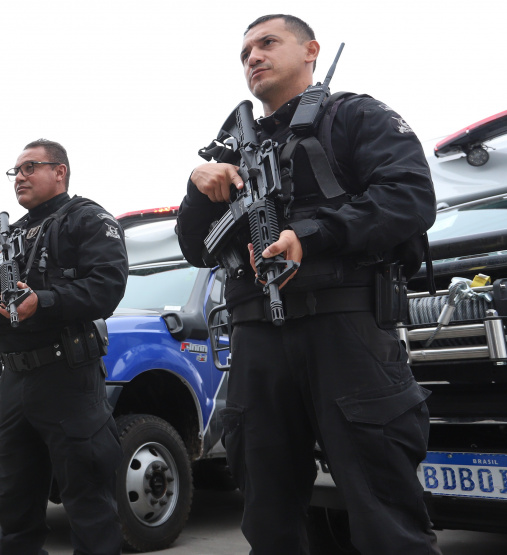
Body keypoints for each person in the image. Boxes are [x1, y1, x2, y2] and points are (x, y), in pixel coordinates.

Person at [175, 14, 441, 554]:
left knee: (385, 517)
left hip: (345, 331)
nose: (253, 57)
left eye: (268, 43)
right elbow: (195, 247)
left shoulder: (355, 116)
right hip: (257, 341)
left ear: (311, 50)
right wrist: (199, 188)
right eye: (245, 51)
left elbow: (410, 198)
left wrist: (311, 235)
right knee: (269, 521)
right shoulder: (233, 155)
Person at [0, 139, 128, 555]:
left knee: (88, 503)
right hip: (15, 380)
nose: (19, 176)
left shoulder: (86, 218)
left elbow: (107, 287)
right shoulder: (6, 235)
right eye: (15, 170)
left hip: (67, 375)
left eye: (30, 167)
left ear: (60, 172)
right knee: (14, 505)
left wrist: (43, 301)